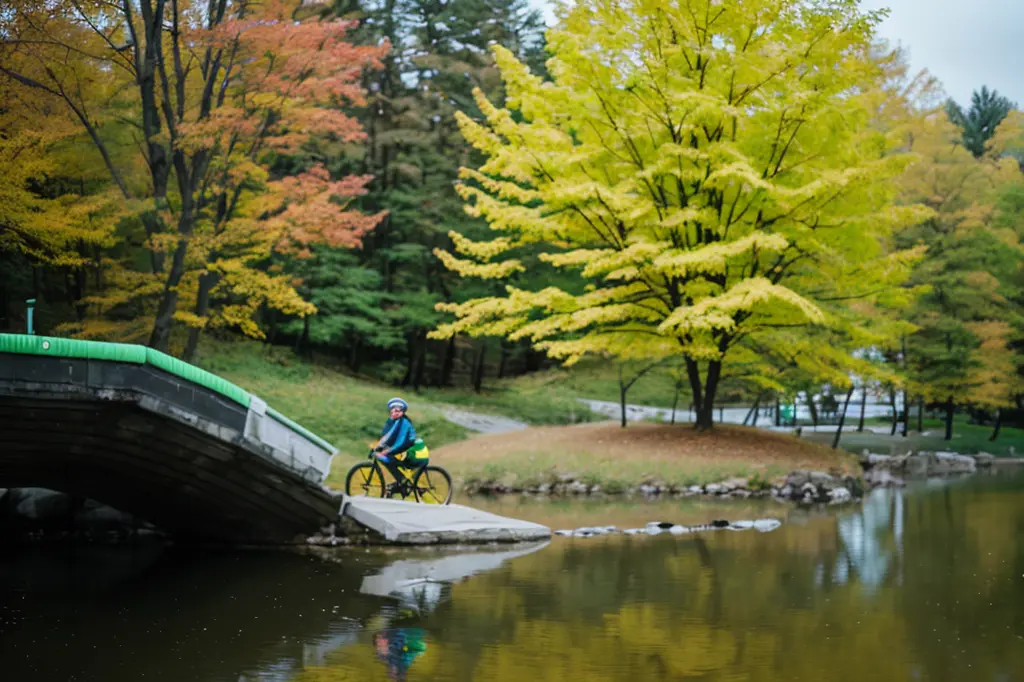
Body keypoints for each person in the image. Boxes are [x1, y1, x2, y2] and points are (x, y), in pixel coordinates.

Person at [374, 397, 422, 492]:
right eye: (392, 411)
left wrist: (387, 451)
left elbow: (400, 442)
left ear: (403, 412)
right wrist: (378, 447)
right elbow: (387, 437)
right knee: (384, 458)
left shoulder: (404, 423)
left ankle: (402, 481)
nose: (394, 413)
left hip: (410, 447)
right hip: (403, 446)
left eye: (397, 411)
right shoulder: (394, 421)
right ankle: (401, 482)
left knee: (389, 459)